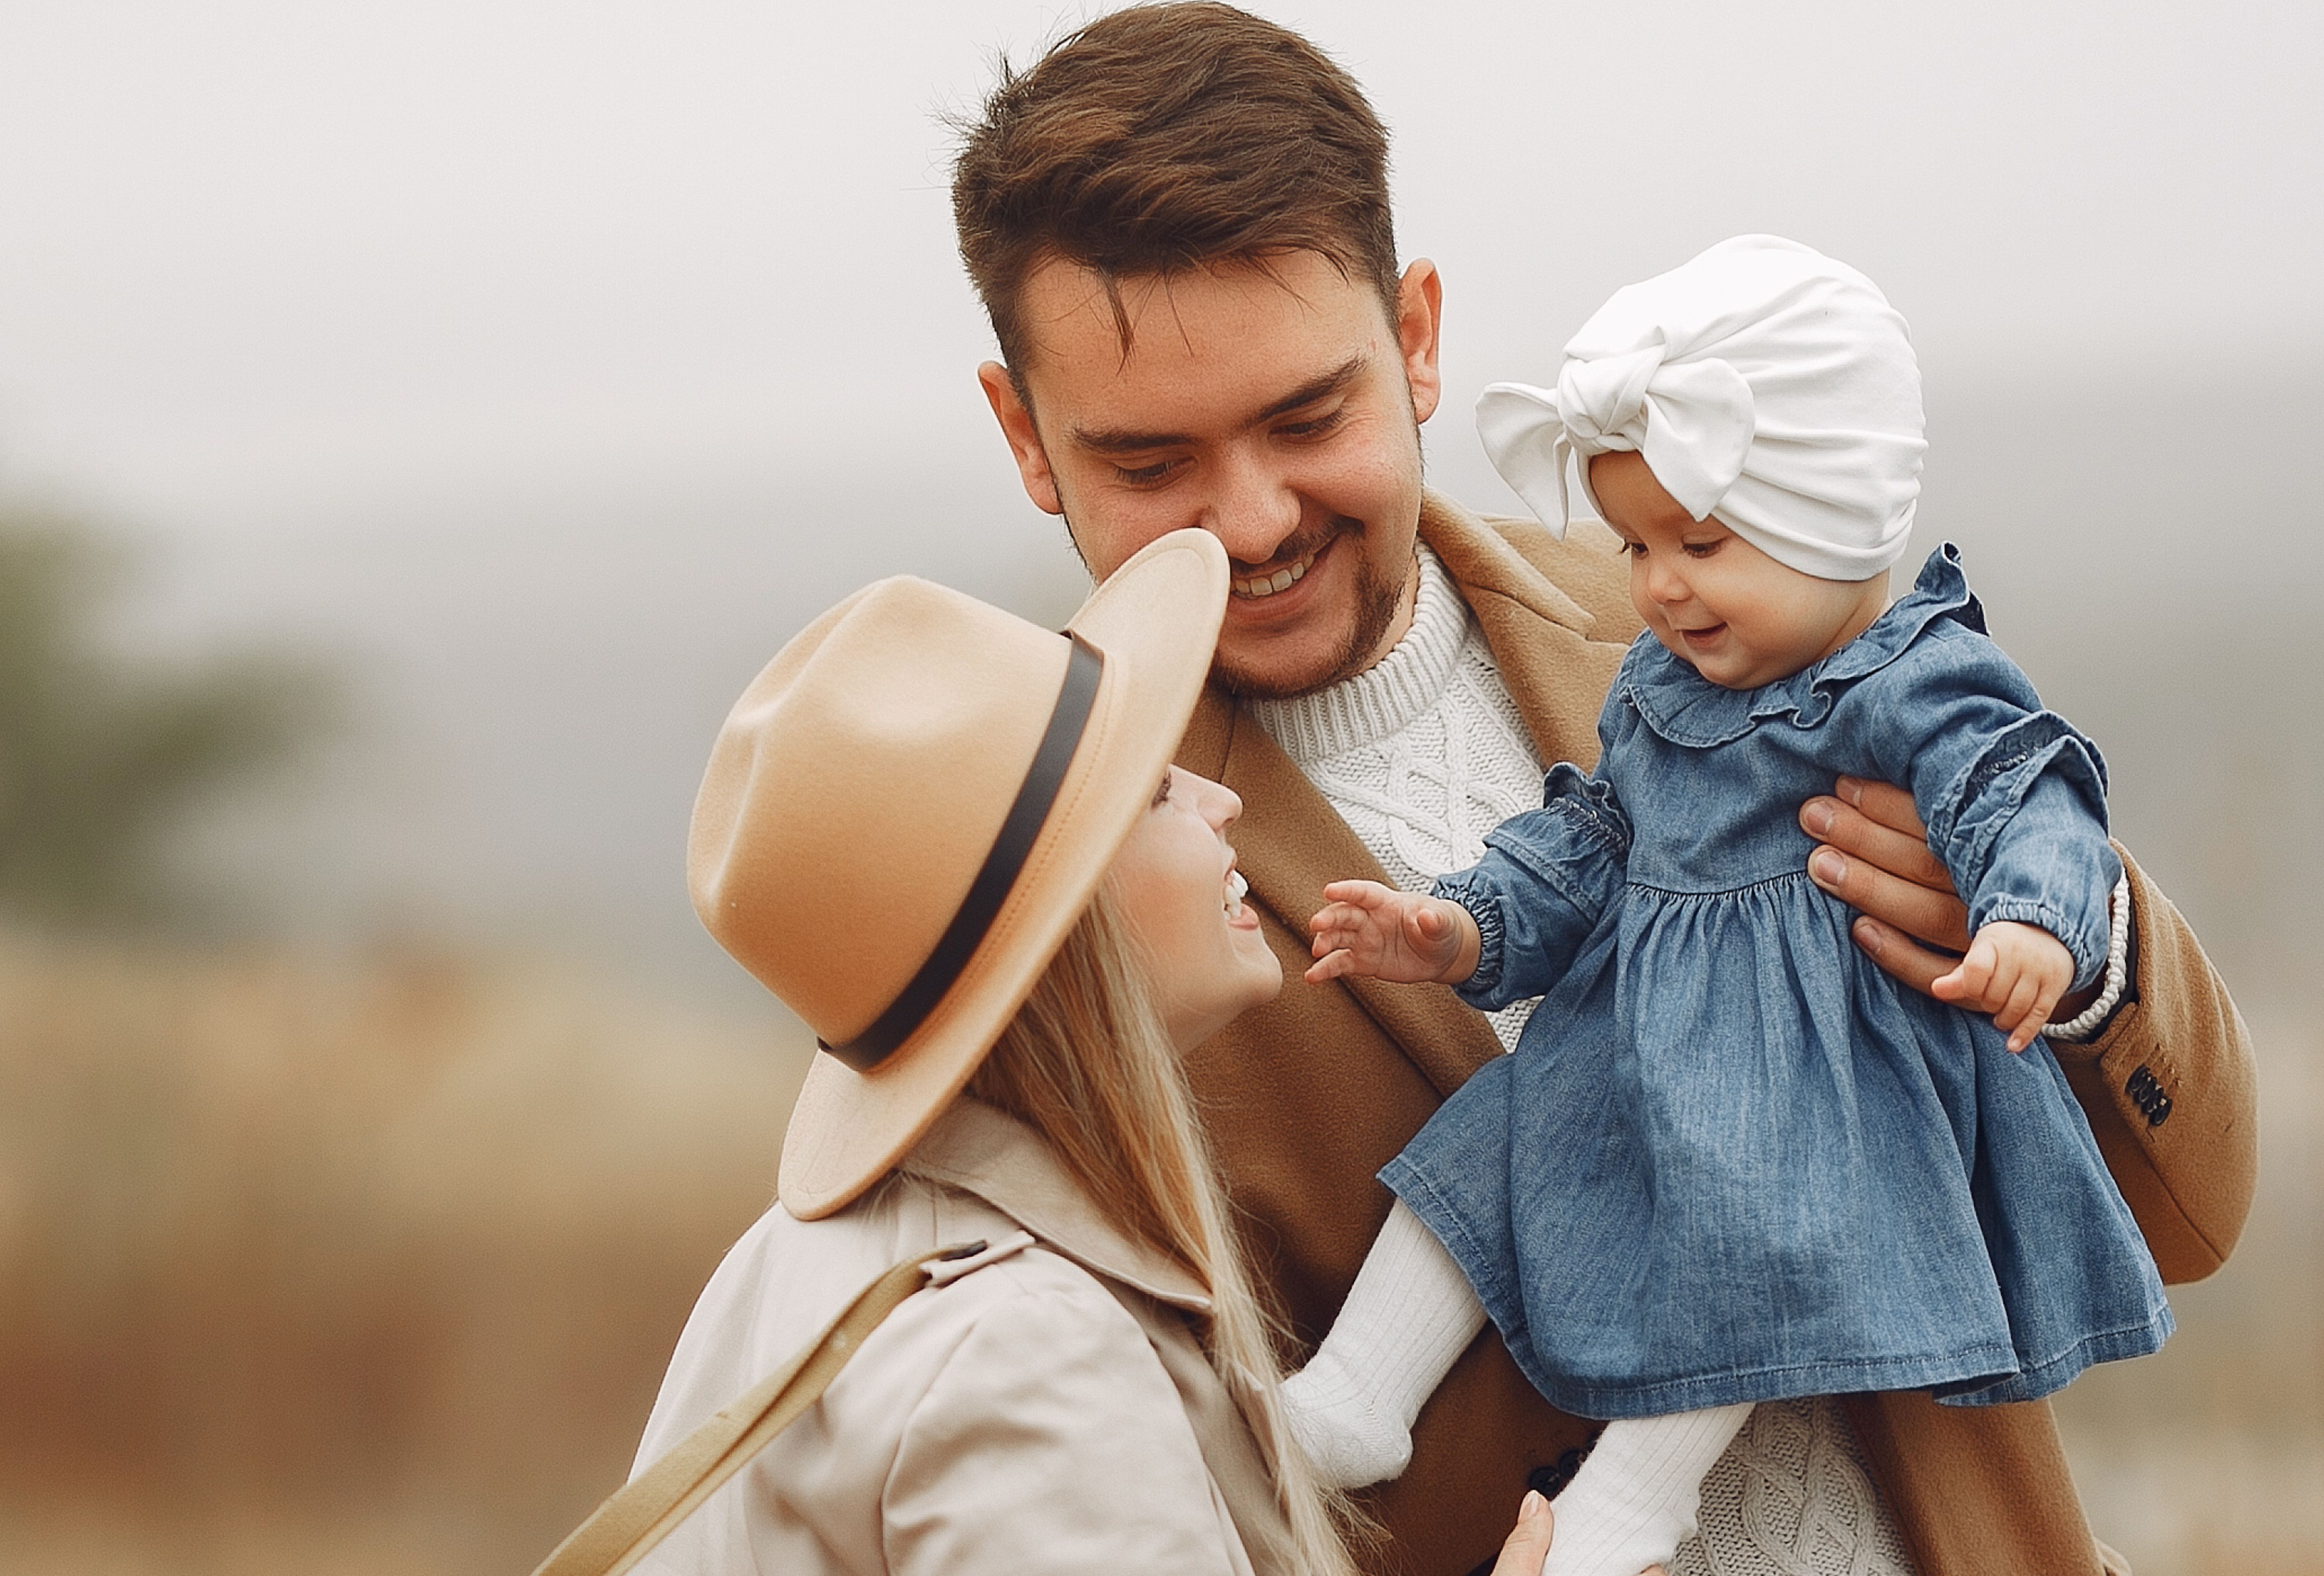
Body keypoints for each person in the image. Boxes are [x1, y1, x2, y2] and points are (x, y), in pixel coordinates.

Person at [946, 6, 2257, 1573]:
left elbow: (2194, 1214)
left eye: (1309, 418)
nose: (1251, 515)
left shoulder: (1717, 632)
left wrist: (2085, 944)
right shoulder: (1026, 909)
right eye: (1152, 462)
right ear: (1024, 435)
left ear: (1417, 335)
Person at [1274, 235, 2171, 1576]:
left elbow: (2021, 791)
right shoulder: (1657, 685)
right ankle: (1355, 1395)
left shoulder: (1911, 677)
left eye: (1700, 542)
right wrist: (1463, 924)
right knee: (1484, 1154)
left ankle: (1639, 1490)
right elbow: (1593, 836)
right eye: (1636, 544)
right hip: (1627, 1041)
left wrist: (2033, 923)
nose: (1661, 584)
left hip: (1807, 1071)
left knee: (1746, 1224)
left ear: (1834, 518)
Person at [638, 530, 1488, 1575]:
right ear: (1066, 929)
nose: (1223, 801)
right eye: (1155, 795)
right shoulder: (1031, 1356)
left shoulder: (784, 1264)